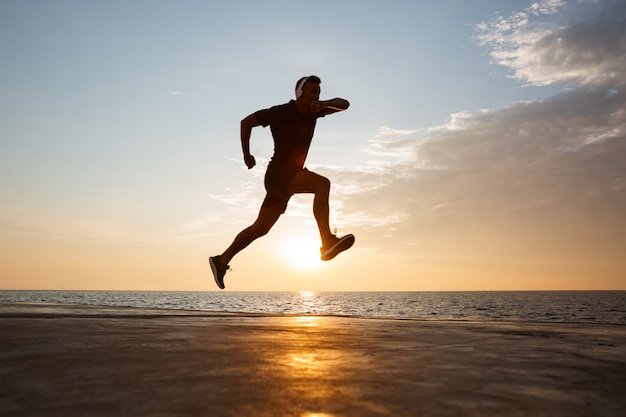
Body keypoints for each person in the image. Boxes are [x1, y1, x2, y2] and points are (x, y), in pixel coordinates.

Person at [209, 75, 355, 289]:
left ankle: (221, 261)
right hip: (279, 173)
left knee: (259, 229)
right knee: (322, 184)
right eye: (312, 92)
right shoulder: (280, 112)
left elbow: (345, 104)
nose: (316, 95)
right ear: (299, 94)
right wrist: (246, 155)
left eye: (318, 92)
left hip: (289, 176)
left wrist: (323, 104)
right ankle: (326, 242)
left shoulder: (316, 112)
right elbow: (246, 122)